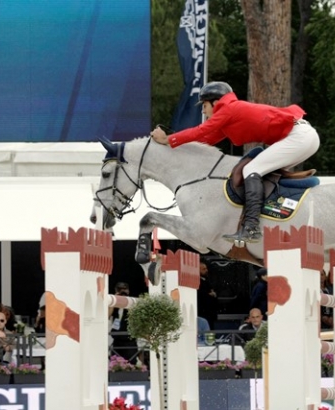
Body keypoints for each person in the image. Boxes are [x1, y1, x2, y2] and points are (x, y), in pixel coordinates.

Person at [150, 81, 320, 243]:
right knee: (261, 172)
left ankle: (252, 227)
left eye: (204, 105)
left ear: (216, 103)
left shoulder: (229, 108)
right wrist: (173, 147)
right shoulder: (230, 114)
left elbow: (201, 130)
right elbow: (205, 139)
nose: (203, 111)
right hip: (303, 137)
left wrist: (167, 139)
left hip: (299, 137)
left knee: (251, 170)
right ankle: (274, 213)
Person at [108, 282, 138, 364]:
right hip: (117, 339)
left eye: (125, 290)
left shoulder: (132, 302)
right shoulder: (114, 305)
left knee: (131, 362)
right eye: (120, 290)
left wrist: (126, 301)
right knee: (115, 363)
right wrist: (114, 299)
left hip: (129, 339)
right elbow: (108, 315)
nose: (123, 292)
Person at [197, 261, 218, 329]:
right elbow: (202, 294)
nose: (206, 270)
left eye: (206, 268)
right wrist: (209, 294)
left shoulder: (207, 280)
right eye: (204, 269)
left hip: (210, 313)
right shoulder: (198, 281)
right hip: (203, 312)